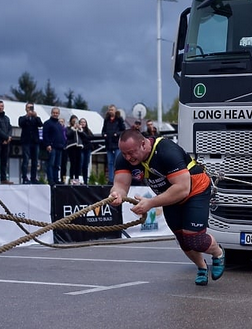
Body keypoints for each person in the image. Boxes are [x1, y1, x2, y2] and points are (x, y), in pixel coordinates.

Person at [108, 130, 225, 286]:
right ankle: (202, 267)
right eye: (124, 154)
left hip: (194, 190)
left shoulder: (166, 151)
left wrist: (150, 203)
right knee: (183, 240)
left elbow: (182, 188)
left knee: (194, 238)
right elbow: (121, 184)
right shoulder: (125, 158)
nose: (128, 158)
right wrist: (116, 195)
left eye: (131, 153)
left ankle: (218, 253)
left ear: (143, 144)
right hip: (169, 196)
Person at [18, 102, 43, 184]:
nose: (30, 109)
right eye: (28, 108)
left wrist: (36, 116)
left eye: (31, 107)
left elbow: (40, 124)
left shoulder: (36, 119)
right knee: (26, 160)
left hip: (35, 142)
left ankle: (33, 177)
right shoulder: (22, 118)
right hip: (26, 141)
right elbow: (21, 124)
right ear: (26, 109)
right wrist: (27, 116)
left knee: (35, 161)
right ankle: (24, 177)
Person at [101, 104, 126, 183]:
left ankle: (117, 179)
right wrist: (104, 135)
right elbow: (103, 130)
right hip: (109, 144)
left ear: (115, 110)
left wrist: (117, 134)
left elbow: (123, 130)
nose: (110, 111)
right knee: (110, 162)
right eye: (109, 110)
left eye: (112, 110)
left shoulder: (119, 119)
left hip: (116, 144)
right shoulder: (106, 120)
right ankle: (110, 180)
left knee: (117, 162)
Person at [42, 107, 65, 186]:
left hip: (59, 147)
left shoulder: (59, 124)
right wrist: (47, 144)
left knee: (57, 165)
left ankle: (56, 179)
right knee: (50, 164)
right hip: (52, 147)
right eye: (54, 113)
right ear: (51, 113)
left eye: (57, 113)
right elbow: (45, 135)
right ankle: (50, 179)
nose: (55, 114)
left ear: (58, 114)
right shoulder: (47, 123)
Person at [65, 115, 83, 185]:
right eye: (73, 120)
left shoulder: (79, 129)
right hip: (71, 146)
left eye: (76, 120)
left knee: (78, 163)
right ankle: (71, 178)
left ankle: (77, 178)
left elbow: (84, 136)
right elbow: (68, 135)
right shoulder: (68, 128)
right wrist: (73, 128)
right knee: (73, 163)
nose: (75, 121)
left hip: (79, 147)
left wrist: (80, 130)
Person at [78, 118, 93, 184]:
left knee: (86, 165)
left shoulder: (88, 131)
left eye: (84, 122)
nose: (83, 123)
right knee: (80, 164)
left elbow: (90, 137)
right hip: (81, 149)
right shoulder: (78, 131)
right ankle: (78, 179)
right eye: (81, 122)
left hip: (87, 149)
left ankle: (85, 181)